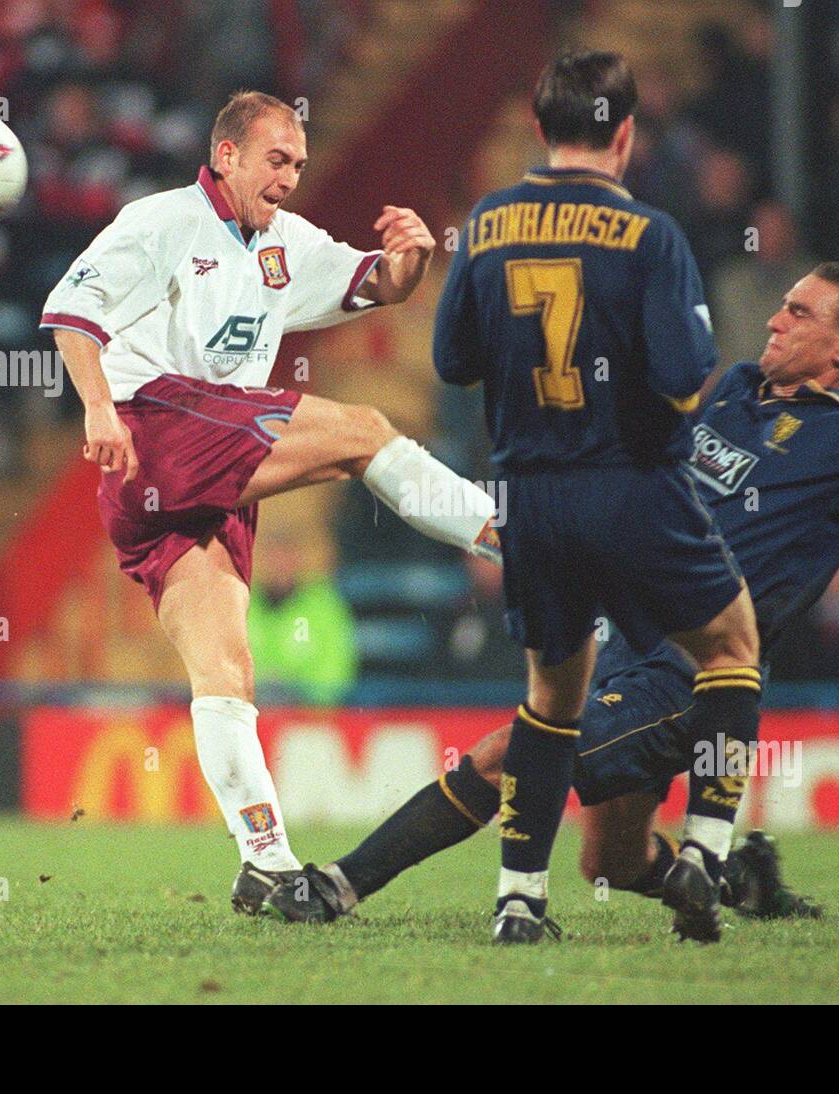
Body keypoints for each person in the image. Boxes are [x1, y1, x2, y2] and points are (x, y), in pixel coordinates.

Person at [261, 264, 839, 928]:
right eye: (781, 304)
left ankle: (336, 886)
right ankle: (737, 881)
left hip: (694, 668)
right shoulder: (734, 389)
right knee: (611, 865)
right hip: (622, 636)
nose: (776, 319)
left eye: (800, 314)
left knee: (506, 756)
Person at [39, 90, 501, 916]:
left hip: (182, 480)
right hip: (160, 427)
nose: (289, 177)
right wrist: (98, 405)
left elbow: (376, 285)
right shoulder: (163, 222)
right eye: (276, 160)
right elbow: (74, 313)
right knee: (361, 431)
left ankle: (267, 865)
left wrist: (410, 263)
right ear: (226, 155)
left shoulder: (285, 243)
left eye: (298, 164)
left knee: (225, 674)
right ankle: (510, 540)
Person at [358, 51, 765, 945]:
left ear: (540, 130)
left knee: (551, 697)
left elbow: (453, 363)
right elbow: (685, 373)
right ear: (625, 132)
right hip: (631, 486)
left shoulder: (489, 222)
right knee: (731, 646)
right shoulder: (650, 232)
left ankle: (518, 901)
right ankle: (702, 850)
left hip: (530, 496)